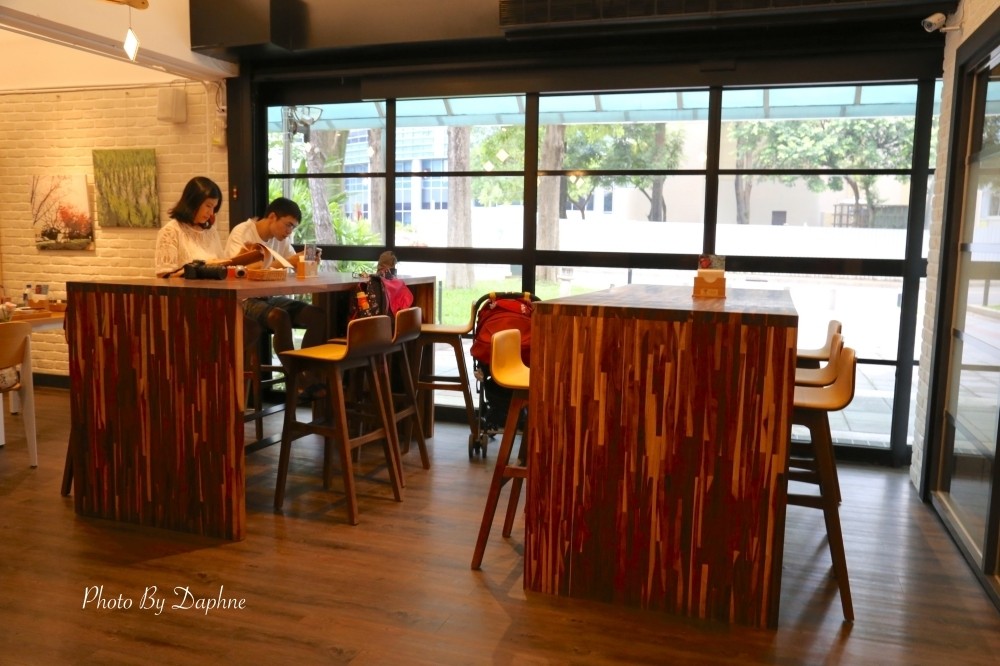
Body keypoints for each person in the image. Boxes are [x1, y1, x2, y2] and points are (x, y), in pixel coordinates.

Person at [225, 197, 327, 397]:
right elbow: (240, 271)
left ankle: (307, 372)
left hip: (268, 297)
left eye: (293, 227)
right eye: (288, 225)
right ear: (272, 216)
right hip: (243, 299)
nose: (289, 231)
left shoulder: (282, 240)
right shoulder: (243, 232)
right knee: (280, 317)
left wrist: (307, 262)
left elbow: (291, 268)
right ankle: (298, 379)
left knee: (317, 315)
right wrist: (288, 261)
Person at [154, 177, 228, 278]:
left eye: (214, 208)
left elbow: (222, 265)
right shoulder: (171, 231)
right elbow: (164, 278)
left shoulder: (211, 232)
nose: (211, 213)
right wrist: (202, 267)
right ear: (193, 202)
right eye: (208, 206)